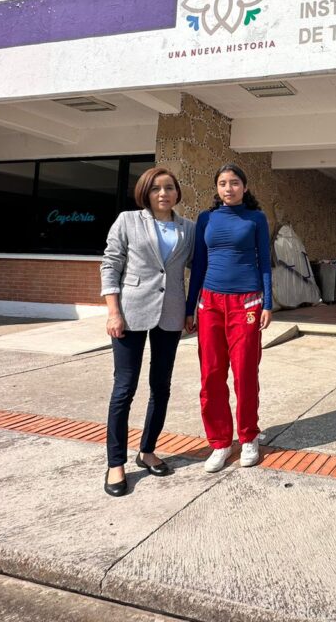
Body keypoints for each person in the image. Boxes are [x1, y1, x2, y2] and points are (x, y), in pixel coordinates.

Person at [100, 167, 195, 497]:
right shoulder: (128, 220)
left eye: (169, 187)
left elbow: (198, 268)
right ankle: (115, 463)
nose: (163, 193)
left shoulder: (188, 228)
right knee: (124, 388)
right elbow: (110, 264)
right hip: (130, 312)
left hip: (171, 314)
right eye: (156, 188)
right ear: (145, 192)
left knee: (161, 386)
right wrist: (113, 312)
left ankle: (148, 450)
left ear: (177, 192)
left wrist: (192, 309)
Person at [186, 163, 272, 472]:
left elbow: (265, 263)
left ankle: (248, 437)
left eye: (234, 182)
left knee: (244, 372)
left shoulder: (256, 218)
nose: (228, 188)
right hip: (210, 302)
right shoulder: (206, 219)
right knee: (211, 374)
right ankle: (220, 442)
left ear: (244, 187)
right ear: (217, 188)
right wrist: (189, 307)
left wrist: (268, 303)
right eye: (222, 183)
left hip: (247, 302)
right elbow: (199, 264)